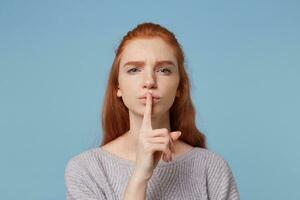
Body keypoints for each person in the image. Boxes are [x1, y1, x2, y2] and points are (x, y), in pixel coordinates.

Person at [64, 22, 240, 200]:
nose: (149, 81)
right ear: (118, 86)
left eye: (164, 70)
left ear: (180, 86)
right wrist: (140, 176)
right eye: (134, 70)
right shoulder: (86, 170)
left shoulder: (212, 168)